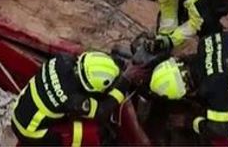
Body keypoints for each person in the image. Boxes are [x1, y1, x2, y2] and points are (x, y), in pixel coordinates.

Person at [11, 50, 142, 146]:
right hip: (30, 133)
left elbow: (96, 65)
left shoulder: (62, 60)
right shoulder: (73, 99)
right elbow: (101, 111)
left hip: (20, 112)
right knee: (88, 133)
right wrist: (125, 81)